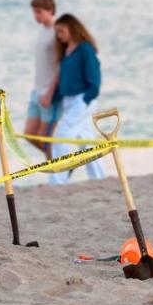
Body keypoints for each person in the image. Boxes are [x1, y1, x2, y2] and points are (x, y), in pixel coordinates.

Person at [47, 13, 106, 185]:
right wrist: (54, 97)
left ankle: (58, 179)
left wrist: (87, 98)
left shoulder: (85, 49)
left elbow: (94, 77)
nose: (59, 35)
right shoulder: (66, 52)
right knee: (86, 142)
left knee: (61, 135)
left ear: (72, 28)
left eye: (61, 31)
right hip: (68, 101)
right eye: (57, 32)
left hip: (82, 99)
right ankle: (99, 178)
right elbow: (66, 79)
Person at [25, 0, 59, 158]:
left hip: (49, 93)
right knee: (30, 135)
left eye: (39, 12)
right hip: (37, 90)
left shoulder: (57, 32)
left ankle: (57, 174)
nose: (35, 16)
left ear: (50, 10)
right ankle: (60, 164)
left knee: (46, 138)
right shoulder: (43, 31)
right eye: (34, 12)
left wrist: (50, 93)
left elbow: (61, 66)